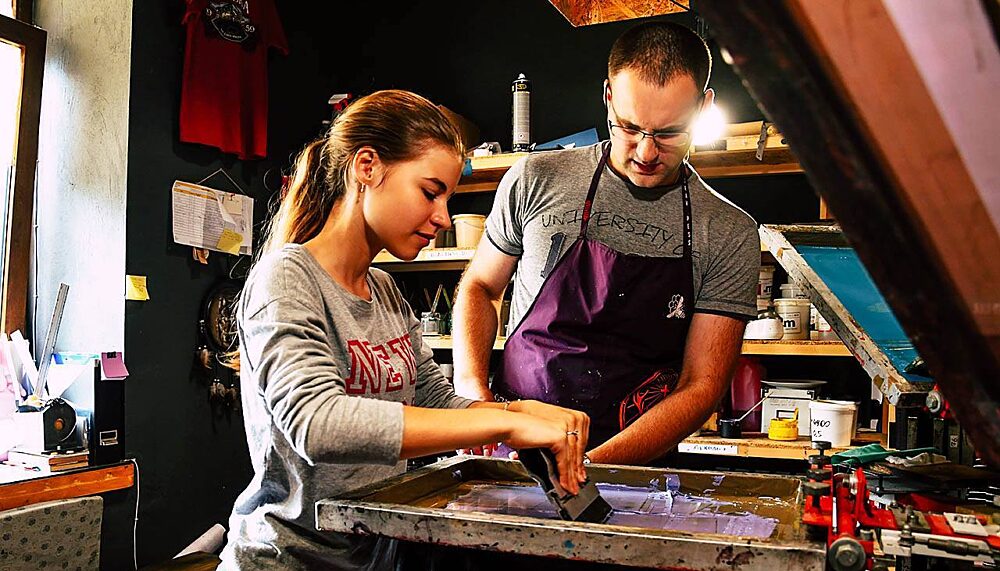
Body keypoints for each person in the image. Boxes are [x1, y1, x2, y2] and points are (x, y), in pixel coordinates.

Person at [218, 89, 590, 570]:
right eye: (430, 192)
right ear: (367, 167)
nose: (441, 218)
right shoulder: (287, 278)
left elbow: (435, 402)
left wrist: (520, 411)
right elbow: (317, 423)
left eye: (448, 199)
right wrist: (507, 421)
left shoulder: (386, 290)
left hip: (372, 556)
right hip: (289, 560)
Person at [453, 21, 760, 465]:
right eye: (629, 127)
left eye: (669, 132)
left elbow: (702, 385)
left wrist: (590, 467)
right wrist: (474, 397)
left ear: (703, 106)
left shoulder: (728, 231)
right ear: (608, 97)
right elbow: (480, 286)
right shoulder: (536, 178)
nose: (646, 152)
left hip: (636, 466)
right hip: (514, 451)